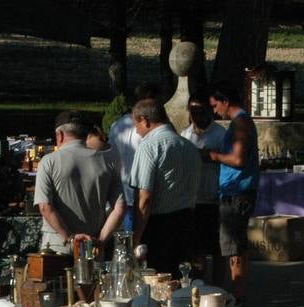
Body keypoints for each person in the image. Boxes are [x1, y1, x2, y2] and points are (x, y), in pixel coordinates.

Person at [34, 110, 125, 253]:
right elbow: (119, 208)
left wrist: (70, 238)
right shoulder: (108, 162)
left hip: (57, 246)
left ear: (60, 135)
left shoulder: (48, 162)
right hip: (93, 245)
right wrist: (101, 240)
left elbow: (45, 207)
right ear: (86, 134)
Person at [130, 99, 200, 276]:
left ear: (145, 120)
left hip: (159, 227)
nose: (136, 131)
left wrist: (135, 238)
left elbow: (144, 197)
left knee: (159, 284)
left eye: (136, 124)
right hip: (188, 222)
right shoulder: (189, 147)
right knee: (184, 280)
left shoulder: (149, 146)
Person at [206, 82, 260, 307]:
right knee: (237, 246)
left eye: (215, 104)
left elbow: (238, 159)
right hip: (236, 190)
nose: (214, 110)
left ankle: (237, 295)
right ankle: (239, 292)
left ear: (226, 102)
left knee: (234, 247)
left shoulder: (240, 124)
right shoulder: (241, 123)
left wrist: (214, 156)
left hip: (236, 192)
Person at [109, 83, 162, 232]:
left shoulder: (117, 125)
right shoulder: (152, 128)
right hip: (147, 196)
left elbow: (111, 158)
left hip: (127, 194)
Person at [181, 98, 225, 277]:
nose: (197, 114)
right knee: (196, 248)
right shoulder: (185, 135)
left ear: (210, 110)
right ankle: (199, 285)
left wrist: (209, 156)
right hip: (192, 198)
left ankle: (219, 288)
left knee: (216, 248)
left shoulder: (220, 134)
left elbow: (228, 162)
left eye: (201, 110)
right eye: (193, 110)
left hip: (214, 196)